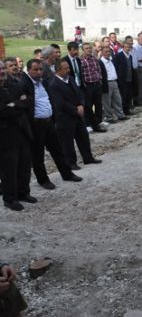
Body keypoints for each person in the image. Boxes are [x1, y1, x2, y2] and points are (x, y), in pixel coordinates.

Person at [20, 59, 83, 190]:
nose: (39, 72)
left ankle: (67, 173)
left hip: (49, 122)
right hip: (36, 124)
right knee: (38, 155)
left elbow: (50, 100)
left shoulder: (44, 82)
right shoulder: (24, 84)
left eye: (40, 69)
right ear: (29, 70)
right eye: (35, 70)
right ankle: (43, 179)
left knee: (58, 150)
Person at [47, 60, 102, 171]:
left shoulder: (71, 79)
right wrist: (74, 110)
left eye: (68, 67)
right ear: (58, 70)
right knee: (67, 142)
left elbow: (79, 93)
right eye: (65, 68)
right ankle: (71, 163)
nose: (68, 70)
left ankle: (88, 157)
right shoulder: (53, 84)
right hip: (65, 117)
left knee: (83, 136)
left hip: (78, 114)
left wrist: (81, 105)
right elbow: (59, 102)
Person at [0, 61, 35, 211]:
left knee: (24, 164)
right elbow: (2, 112)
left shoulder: (14, 84)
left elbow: (27, 101)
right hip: (5, 135)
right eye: (0, 69)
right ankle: (10, 198)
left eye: (2, 68)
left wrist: (14, 105)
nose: (2, 71)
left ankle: (23, 192)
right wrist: (17, 104)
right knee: (9, 169)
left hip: (22, 131)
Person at [79, 42, 106, 132]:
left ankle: (98, 121)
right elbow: (81, 74)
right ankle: (88, 124)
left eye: (90, 48)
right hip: (88, 85)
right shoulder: (81, 60)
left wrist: (100, 79)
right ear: (83, 50)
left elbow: (98, 70)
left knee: (98, 104)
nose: (89, 50)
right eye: (86, 48)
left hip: (97, 84)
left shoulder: (94, 59)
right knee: (88, 106)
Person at [99, 46, 128, 122]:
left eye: (109, 51)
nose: (108, 53)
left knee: (118, 100)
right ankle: (109, 117)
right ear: (102, 53)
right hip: (107, 83)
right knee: (107, 102)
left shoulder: (111, 60)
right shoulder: (100, 62)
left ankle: (120, 115)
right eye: (106, 52)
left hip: (114, 82)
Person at [113, 36, 135, 116]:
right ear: (123, 47)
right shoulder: (118, 56)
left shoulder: (130, 56)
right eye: (126, 47)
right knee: (123, 96)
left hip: (129, 78)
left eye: (129, 47)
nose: (127, 48)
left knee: (129, 95)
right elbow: (115, 67)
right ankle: (122, 111)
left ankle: (127, 110)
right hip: (122, 80)